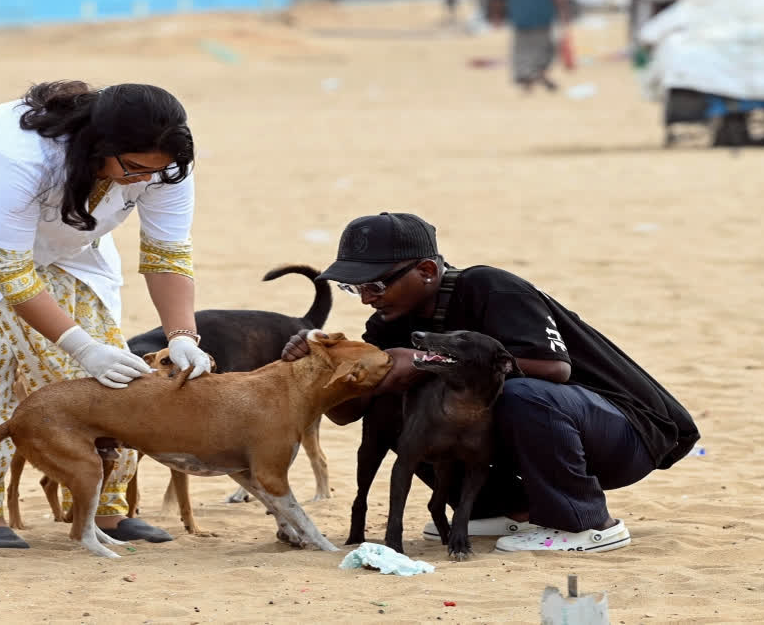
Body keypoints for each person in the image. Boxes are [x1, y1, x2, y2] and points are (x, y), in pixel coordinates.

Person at [0, 80, 213, 549]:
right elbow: (9, 268)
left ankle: (108, 508)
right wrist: (82, 347)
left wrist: (182, 335)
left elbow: (167, 253)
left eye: (152, 173)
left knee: (112, 377)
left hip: (65, 245)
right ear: (98, 147)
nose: (143, 180)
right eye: (133, 168)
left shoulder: (165, 165)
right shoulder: (24, 155)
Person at [282, 213, 700, 553]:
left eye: (374, 285)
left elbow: (555, 371)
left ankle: (585, 524)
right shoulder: (389, 322)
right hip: (542, 442)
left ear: (427, 270)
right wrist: (320, 367)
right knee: (397, 400)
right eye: (353, 287)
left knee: (517, 391)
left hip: (626, 435)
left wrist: (428, 364)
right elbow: (351, 412)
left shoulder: (489, 288)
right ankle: (502, 510)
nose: (366, 298)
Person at [489, 0, 569, 92]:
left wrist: (497, 16)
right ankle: (537, 73)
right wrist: (563, 14)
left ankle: (527, 77)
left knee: (522, 50)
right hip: (542, 14)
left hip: (520, 15)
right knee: (545, 49)